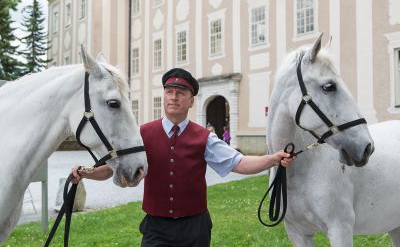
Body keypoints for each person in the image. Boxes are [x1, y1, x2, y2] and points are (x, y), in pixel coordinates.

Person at [71, 68, 295, 247]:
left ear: (191, 101)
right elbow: (111, 169)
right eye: (169, 92)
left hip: (194, 228)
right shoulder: (141, 135)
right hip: (156, 228)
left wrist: (273, 159)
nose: (173, 97)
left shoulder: (204, 138)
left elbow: (240, 163)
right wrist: (85, 173)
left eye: (181, 93)